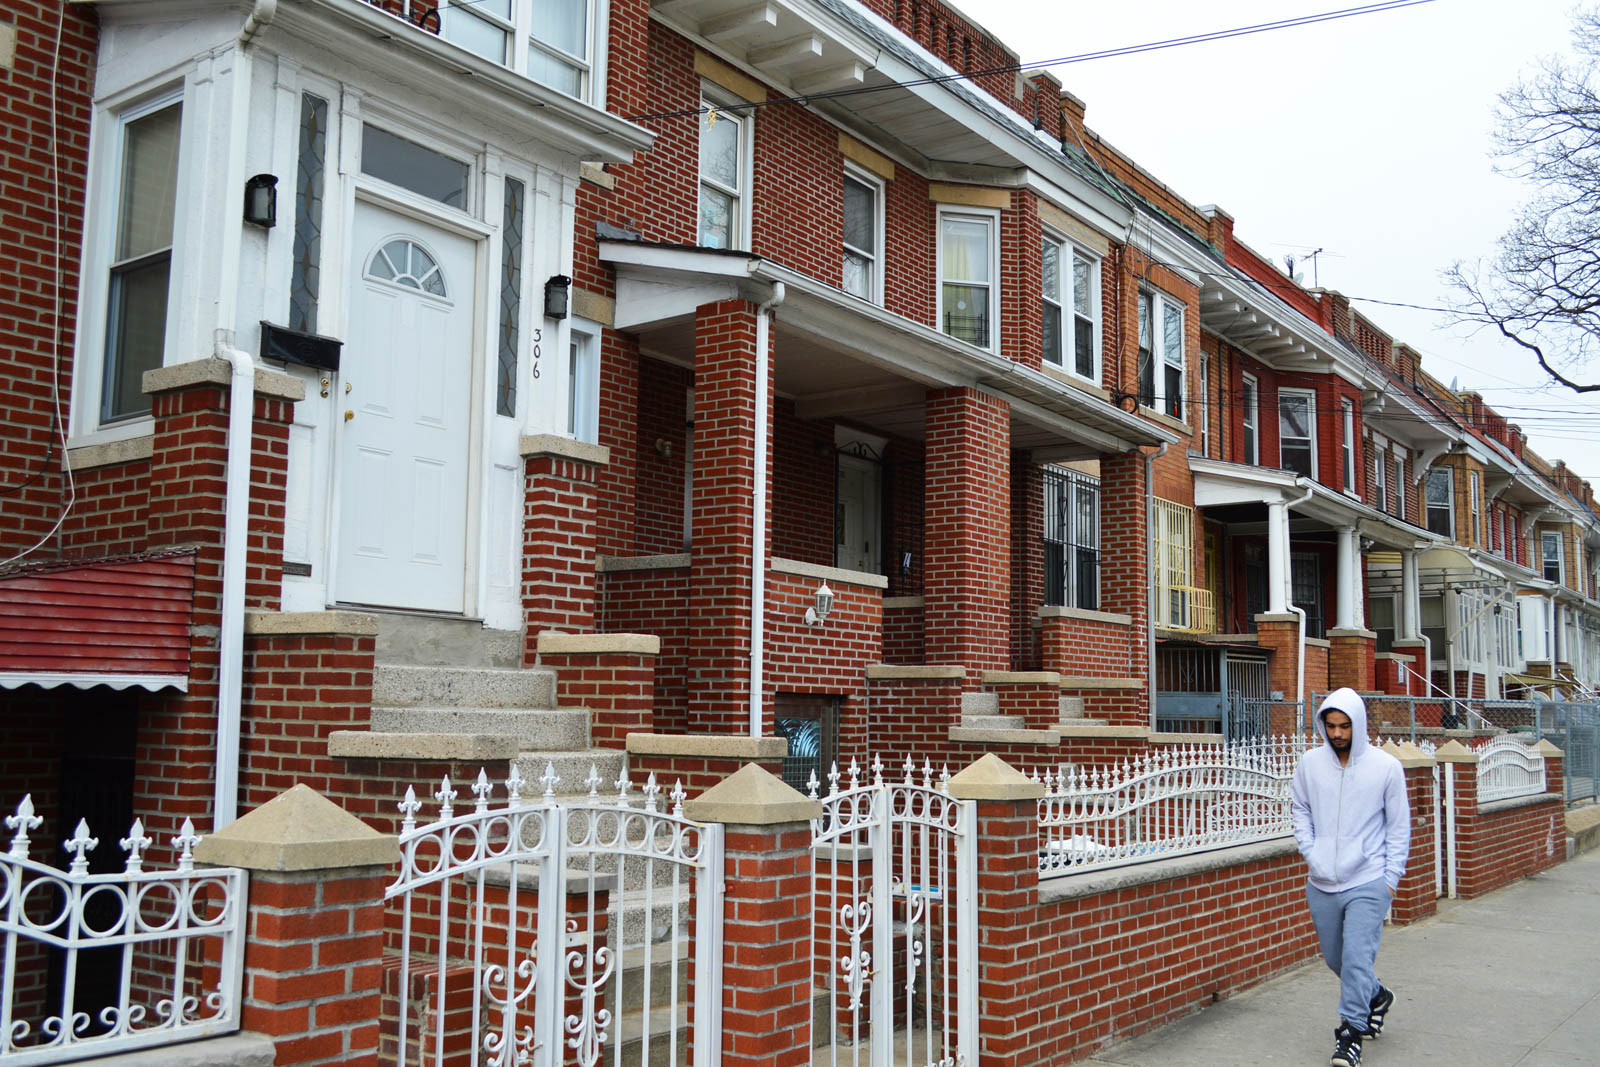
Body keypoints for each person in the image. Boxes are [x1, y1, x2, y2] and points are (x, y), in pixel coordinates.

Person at [1290, 687, 1410, 1067]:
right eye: (1331, 726)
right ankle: (1375, 995)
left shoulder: (1385, 767)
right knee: (1337, 959)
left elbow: (1399, 828)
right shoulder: (1310, 763)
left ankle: (1350, 1034)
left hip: (1369, 880)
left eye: (1345, 726)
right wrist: (1311, 852)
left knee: (1357, 958)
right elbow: (1300, 810)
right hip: (1321, 881)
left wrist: (1390, 879)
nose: (1338, 734)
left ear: (1357, 725)